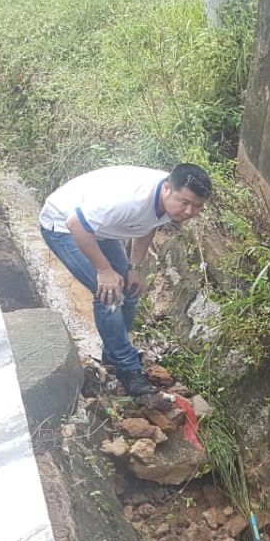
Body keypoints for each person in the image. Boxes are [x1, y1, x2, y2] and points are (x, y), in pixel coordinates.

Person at [40, 163, 211, 396]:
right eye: (185, 203)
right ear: (167, 189)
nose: (190, 212)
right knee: (109, 295)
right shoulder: (131, 201)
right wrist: (103, 270)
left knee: (129, 290)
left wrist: (134, 267)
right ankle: (127, 368)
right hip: (64, 224)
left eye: (197, 206)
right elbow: (76, 224)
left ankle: (111, 357)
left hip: (100, 226)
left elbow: (148, 224)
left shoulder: (168, 202)